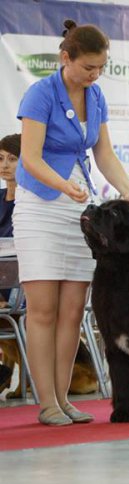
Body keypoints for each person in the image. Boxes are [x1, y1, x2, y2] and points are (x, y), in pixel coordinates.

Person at [14, 20, 129, 425]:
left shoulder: (96, 95)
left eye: (100, 68)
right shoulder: (40, 94)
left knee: (73, 310)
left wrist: (127, 188)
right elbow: (30, 158)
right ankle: (46, 401)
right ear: (65, 57)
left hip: (78, 206)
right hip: (40, 204)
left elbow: (104, 154)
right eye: (88, 67)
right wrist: (63, 187)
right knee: (43, 311)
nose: (95, 75)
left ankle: (65, 398)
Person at [0, 133, 21, 389]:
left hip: (21, 289)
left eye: (12, 159)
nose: (5, 164)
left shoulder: (31, 202)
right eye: (1, 159)